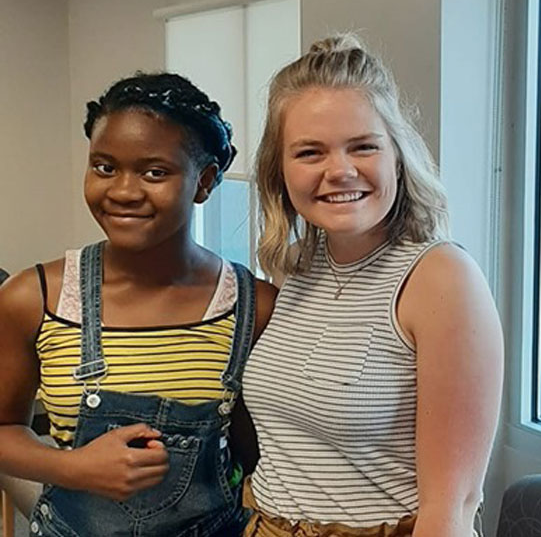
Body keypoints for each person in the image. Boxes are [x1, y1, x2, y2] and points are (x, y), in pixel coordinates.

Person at [243, 34, 503, 537]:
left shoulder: (441, 280)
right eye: (309, 152)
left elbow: (453, 508)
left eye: (363, 146)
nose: (339, 171)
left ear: (398, 157)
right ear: (280, 170)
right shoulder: (297, 266)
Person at [0, 73, 277, 537]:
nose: (124, 191)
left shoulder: (255, 307)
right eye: (105, 167)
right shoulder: (34, 298)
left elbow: (261, 459)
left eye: (154, 172)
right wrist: (74, 468)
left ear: (204, 182)